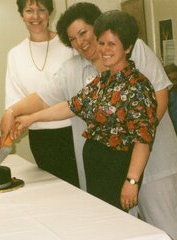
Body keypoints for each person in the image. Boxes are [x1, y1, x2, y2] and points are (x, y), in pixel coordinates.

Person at [0, 3, 177, 240]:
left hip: (150, 161)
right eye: (72, 39)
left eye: (84, 33)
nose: (81, 42)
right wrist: (19, 113)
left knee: (165, 227)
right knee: (124, 234)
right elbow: (68, 103)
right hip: (112, 169)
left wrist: (132, 161)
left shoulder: (135, 66)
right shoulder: (96, 78)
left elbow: (157, 102)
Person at [15, 9, 157, 212]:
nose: (104, 50)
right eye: (101, 43)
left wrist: (132, 182)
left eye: (112, 44)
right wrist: (31, 118)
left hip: (116, 167)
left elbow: (143, 140)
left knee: (116, 226)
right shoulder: (102, 80)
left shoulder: (138, 86)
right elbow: (71, 106)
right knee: (101, 222)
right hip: (95, 165)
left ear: (127, 48)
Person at [5, 0, 78, 187]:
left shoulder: (68, 46)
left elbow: (79, 95)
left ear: (50, 13)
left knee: (79, 191)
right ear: (22, 15)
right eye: (29, 10)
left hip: (74, 131)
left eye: (41, 10)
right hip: (40, 136)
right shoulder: (15, 54)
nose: (35, 16)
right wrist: (10, 123)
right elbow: (15, 100)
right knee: (51, 193)